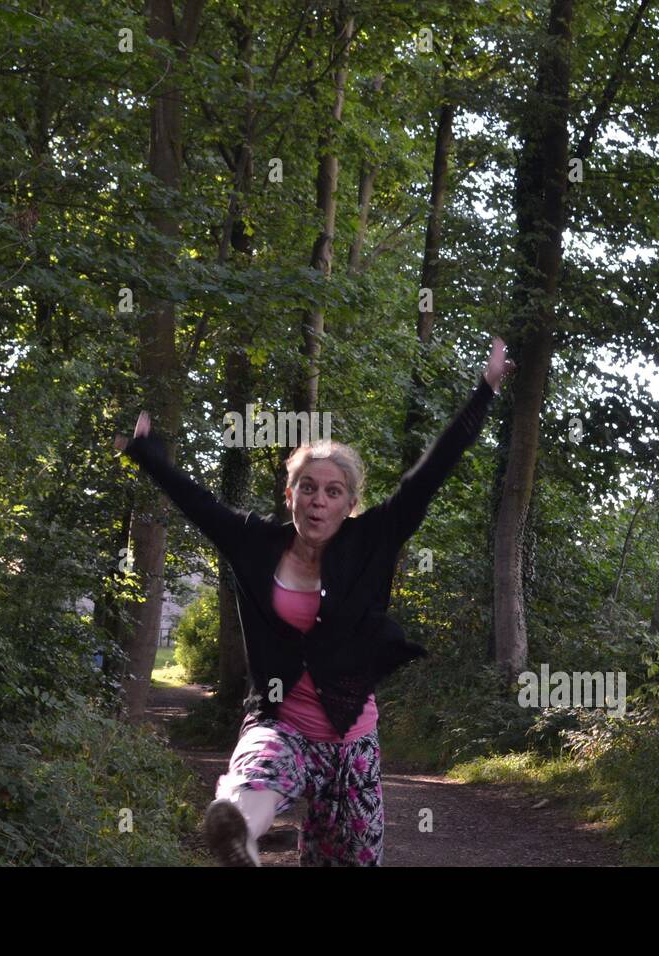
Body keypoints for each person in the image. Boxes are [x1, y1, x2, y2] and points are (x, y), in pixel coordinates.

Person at [114, 337, 513, 866]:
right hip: (281, 723)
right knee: (258, 769)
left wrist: (484, 392)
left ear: (350, 503)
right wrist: (148, 454)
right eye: (306, 487)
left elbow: (430, 474)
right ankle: (240, 835)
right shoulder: (255, 543)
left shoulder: (373, 539)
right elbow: (198, 503)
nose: (317, 500)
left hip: (353, 740)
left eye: (331, 491)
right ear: (290, 494)